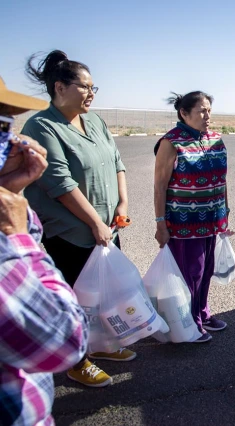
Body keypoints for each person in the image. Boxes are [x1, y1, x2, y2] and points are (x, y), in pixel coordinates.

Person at [21, 50, 135, 387]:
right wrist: (95, 224)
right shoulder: (41, 126)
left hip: (108, 226)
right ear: (60, 87)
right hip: (71, 231)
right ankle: (76, 360)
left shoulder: (95, 121)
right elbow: (60, 184)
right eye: (85, 87)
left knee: (102, 295)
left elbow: (116, 161)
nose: (91, 94)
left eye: (93, 87)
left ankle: (100, 346)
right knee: (73, 299)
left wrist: (122, 204)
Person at [0, 77, 89, 426]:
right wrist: (15, 234)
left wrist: (12, 195)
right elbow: (64, 341)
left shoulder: (91, 122)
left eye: (7, 127)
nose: (13, 142)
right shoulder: (44, 124)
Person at [154, 91, 230, 343]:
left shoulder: (215, 139)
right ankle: (188, 323)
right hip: (183, 223)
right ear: (184, 113)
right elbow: (160, 186)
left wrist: (225, 211)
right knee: (190, 273)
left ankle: (202, 313)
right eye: (201, 110)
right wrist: (160, 223)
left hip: (211, 219)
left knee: (205, 271)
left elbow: (222, 179)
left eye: (209, 110)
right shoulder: (171, 141)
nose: (207, 115)